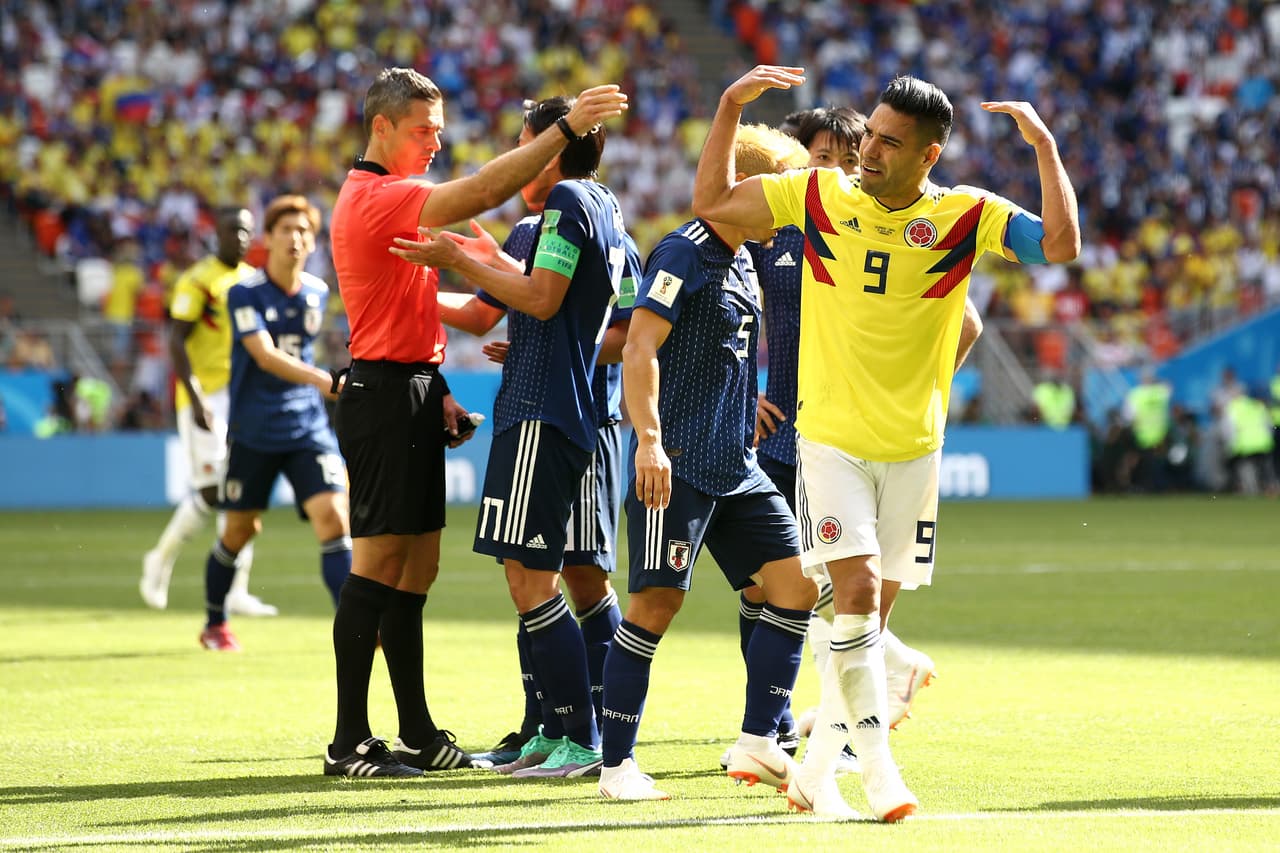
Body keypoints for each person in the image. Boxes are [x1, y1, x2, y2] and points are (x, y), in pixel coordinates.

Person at [693, 67, 1080, 820]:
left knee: (866, 627)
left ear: (928, 156)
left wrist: (1046, 147)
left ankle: (811, 770)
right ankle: (877, 771)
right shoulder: (817, 195)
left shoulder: (964, 215)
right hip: (831, 438)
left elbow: (1060, 245)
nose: (867, 151)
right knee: (858, 594)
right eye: (868, 133)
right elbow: (712, 204)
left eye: (888, 142)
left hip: (915, 448)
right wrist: (728, 103)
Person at [324, 67, 628, 778]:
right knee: (376, 564)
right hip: (384, 390)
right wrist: (563, 128)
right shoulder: (381, 195)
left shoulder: (402, 201)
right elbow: (486, 192)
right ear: (382, 128)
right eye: (423, 130)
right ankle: (347, 742)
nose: (435, 142)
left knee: (418, 567)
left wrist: (438, 392)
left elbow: (440, 306)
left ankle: (418, 730)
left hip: (417, 388)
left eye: (437, 130)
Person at [739, 105, 979, 774]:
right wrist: (744, 393)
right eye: (826, 155)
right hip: (784, 428)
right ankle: (794, 723)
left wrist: (913, 386)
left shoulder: (841, 228)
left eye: (849, 156)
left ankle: (825, 733)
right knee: (773, 586)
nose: (841, 167)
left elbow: (967, 320)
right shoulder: (782, 229)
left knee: (805, 584)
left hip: (827, 429)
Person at [596, 123, 818, 802]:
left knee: (796, 585)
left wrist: (741, 397)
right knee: (655, 604)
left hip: (737, 462)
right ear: (748, 190)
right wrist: (651, 441)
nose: (786, 211)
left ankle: (758, 738)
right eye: (778, 195)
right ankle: (616, 767)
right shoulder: (682, 251)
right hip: (681, 460)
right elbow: (639, 350)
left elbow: (719, 344)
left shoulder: (746, 257)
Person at [422, 100, 638, 768]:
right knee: (532, 571)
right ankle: (550, 726)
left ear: (554, 143)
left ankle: (580, 733)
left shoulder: (573, 204)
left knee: (552, 576)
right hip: (549, 405)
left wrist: (453, 259)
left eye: (525, 139)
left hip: (555, 412)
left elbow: (554, 305)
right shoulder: (572, 215)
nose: (516, 153)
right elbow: (519, 306)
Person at [198, 194, 349, 653]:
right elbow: (263, 355)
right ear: (268, 239)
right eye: (287, 230)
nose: (296, 238)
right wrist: (326, 380)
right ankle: (214, 622)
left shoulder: (317, 292)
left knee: (333, 519)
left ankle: (356, 626)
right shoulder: (242, 293)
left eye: (304, 231)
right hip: (254, 429)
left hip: (305, 426)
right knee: (240, 531)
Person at [141, 207, 277, 617]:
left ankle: (237, 590)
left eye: (246, 231)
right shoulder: (198, 280)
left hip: (242, 397)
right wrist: (196, 397)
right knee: (213, 491)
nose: (239, 237)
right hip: (206, 397)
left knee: (243, 492)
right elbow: (176, 341)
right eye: (232, 229)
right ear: (215, 233)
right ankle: (159, 558)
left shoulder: (253, 281)